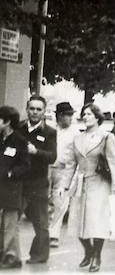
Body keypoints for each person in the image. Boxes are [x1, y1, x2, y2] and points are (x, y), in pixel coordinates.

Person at [66, 103, 115, 272]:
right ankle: (88, 251)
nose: (86, 116)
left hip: (99, 183)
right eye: (84, 114)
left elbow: (114, 162)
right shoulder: (77, 138)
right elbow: (71, 164)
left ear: (97, 117)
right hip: (81, 183)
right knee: (76, 221)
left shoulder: (106, 137)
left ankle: (96, 255)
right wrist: (66, 185)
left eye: (89, 114)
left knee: (97, 221)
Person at [15, 94, 57, 265]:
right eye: (32, 108)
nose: (34, 112)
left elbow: (52, 157)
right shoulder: (18, 128)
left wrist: (36, 152)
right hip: (18, 182)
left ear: (44, 111)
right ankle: (8, 253)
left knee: (40, 223)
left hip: (38, 183)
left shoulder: (49, 132)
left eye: (38, 109)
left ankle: (39, 255)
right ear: (27, 110)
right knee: (9, 219)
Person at [0, 105, 30, 269]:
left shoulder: (19, 140)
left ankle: (11, 257)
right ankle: (8, 255)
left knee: (10, 224)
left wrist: (11, 173)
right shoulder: (0, 138)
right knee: (2, 224)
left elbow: (25, 165)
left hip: (12, 188)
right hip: (0, 187)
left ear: (7, 122)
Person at [48, 102, 77, 248]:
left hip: (65, 171)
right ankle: (43, 232)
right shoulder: (49, 129)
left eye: (72, 114)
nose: (71, 118)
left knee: (59, 203)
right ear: (60, 115)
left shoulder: (75, 133)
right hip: (46, 169)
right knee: (41, 202)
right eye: (68, 115)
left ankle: (53, 235)